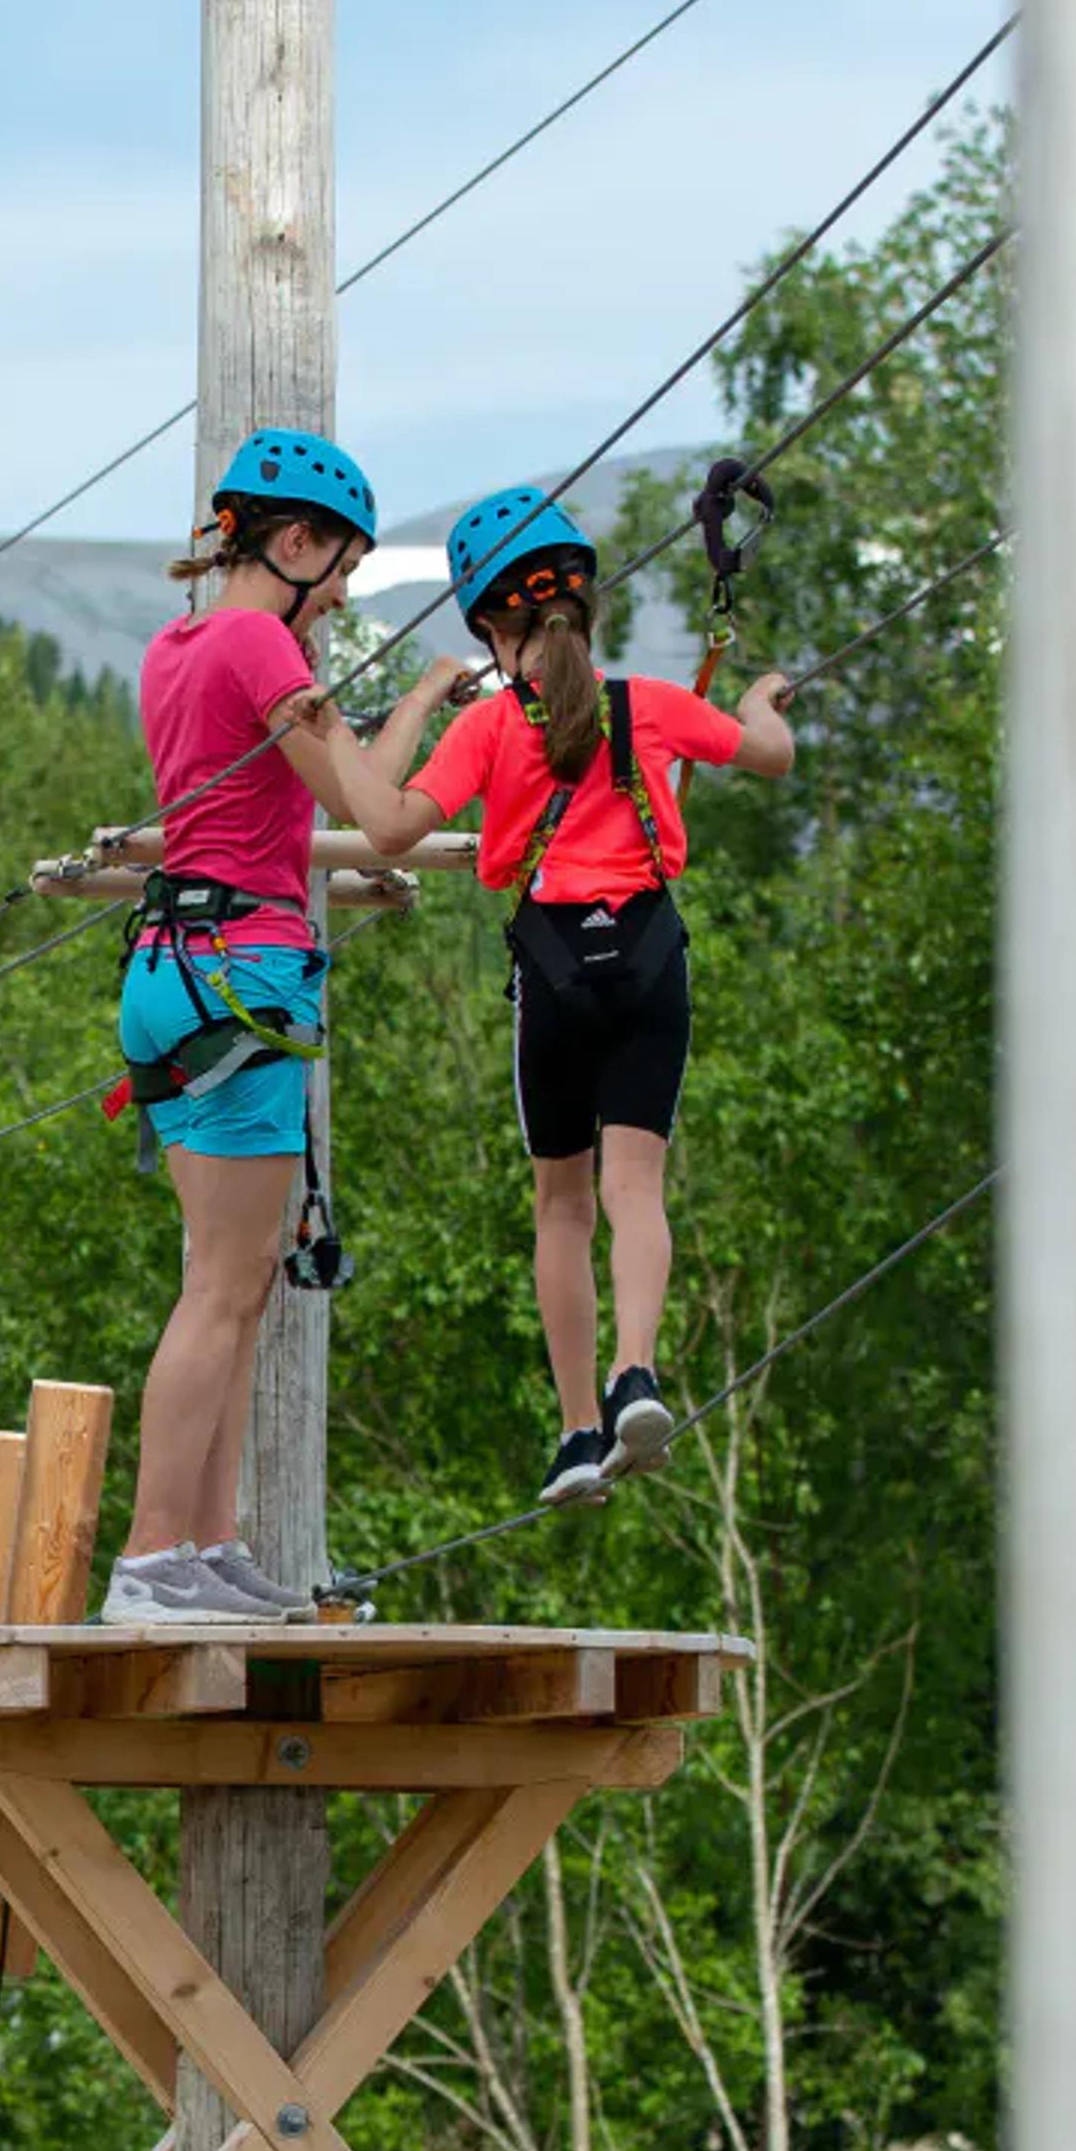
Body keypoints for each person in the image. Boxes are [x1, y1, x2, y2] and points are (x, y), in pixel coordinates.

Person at [339, 487, 795, 1505]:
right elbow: (770, 754)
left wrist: (417, 699)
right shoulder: (657, 709)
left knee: (562, 1204)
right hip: (648, 963)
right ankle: (639, 1369)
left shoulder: (493, 728)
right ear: (585, 606)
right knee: (638, 1186)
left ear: (493, 626)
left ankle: (580, 1430)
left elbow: (385, 824)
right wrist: (758, 702)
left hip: (553, 977)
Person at [101, 427, 412, 1624]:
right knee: (225, 1290)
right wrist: (448, 724)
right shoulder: (258, 643)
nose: (336, 597)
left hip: (175, 968)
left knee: (232, 1284)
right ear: (291, 543)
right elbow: (383, 819)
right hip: (244, 973)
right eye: (333, 570)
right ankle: (148, 1562)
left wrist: (423, 694)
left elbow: (334, 790)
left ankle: (207, 1548)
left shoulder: (179, 646)